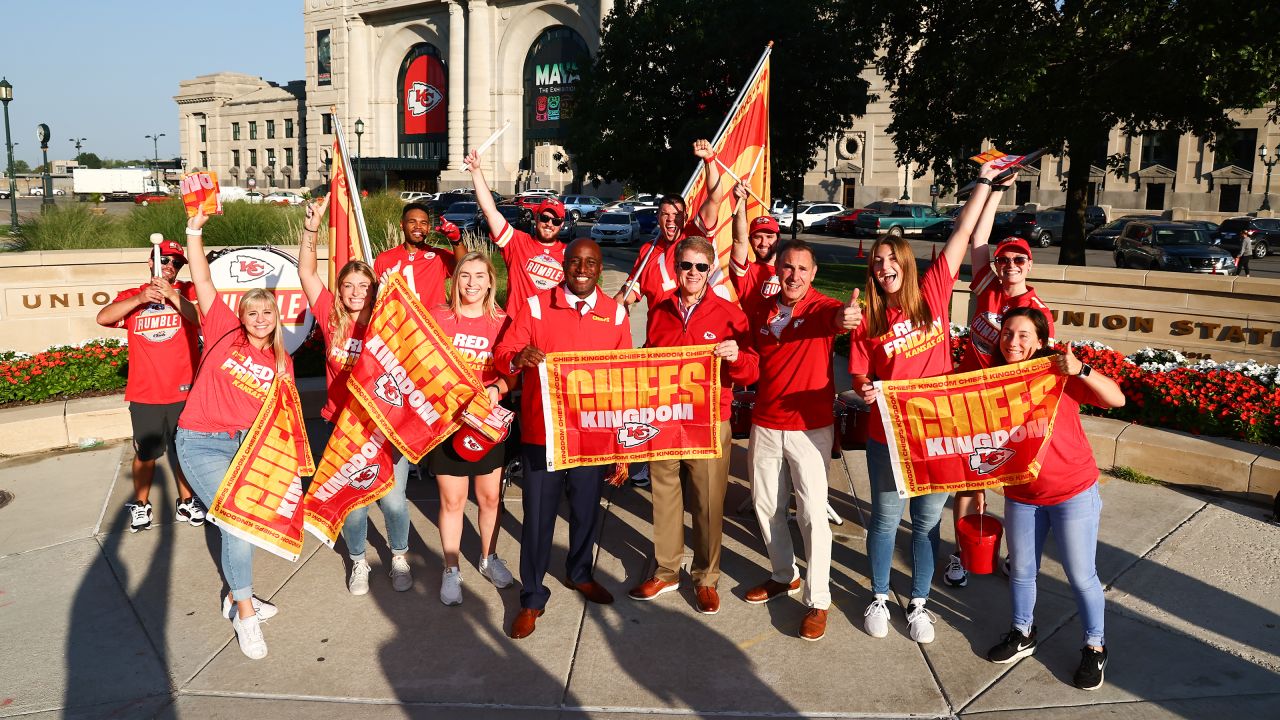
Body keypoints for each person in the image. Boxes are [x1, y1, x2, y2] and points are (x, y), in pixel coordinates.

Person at [849, 160, 1001, 644]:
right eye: (877, 262)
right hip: (887, 436)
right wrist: (863, 387)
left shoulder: (933, 292)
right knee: (887, 519)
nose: (884, 268)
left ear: (905, 264)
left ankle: (918, 603)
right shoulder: (867, 317)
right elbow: (858, 371)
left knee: (928, 523)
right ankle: (877, 595)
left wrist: (984, 184)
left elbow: (961, 233)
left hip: (936, 434)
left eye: (891, 260)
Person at [174, 207, 296, 660]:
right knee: (236, 525)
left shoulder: (281, 363)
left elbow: (283, 422)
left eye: (267, 310)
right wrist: (194, 230)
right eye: (252, 310)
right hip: (201, 440)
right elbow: (202, 278)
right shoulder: (224, 329)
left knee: (244, 526)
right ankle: (245, 613)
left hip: (246, 447)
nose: (260, 317)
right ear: (241, 314)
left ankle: (235, 596)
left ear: (276, 315)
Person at [494, 238, 631, 639]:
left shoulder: (616, 313)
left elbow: (622, 378)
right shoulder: (537, 306)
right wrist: (516, 359)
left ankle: (579, 573)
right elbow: (504, 350)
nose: (583, 269)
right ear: (564, 266)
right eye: (575, 262)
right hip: (544, 434)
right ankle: (532, 596)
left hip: (591, 435)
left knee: (586, 513)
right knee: (537, 519)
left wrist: (622, 443)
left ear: (600, 267)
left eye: (591, 263)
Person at [983, 307, 1124, 691]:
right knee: (1023, 572)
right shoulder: (991, 379)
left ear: (1041, 340)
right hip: (1023, 494)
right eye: (1008, 333)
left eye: (1024, 335)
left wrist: (1081, 369)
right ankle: (1021, 632)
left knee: (1081, 576)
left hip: (1072, 491)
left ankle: (1095, 646)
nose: (1013, 342)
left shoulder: (1057, 373)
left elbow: (1117, 400)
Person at [627, 237, 759, 614]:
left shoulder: (729, 313)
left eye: (702, 267)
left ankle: (706, 577)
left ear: (710, 270)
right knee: (665, 496)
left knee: (706, 503)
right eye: (686, 265)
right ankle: (667, 570)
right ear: (676, 267)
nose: (693, 274)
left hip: (708, 420)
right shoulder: (662, 309)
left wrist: (736, 357)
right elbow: (651, 357)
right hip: (666, 419)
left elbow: (752, 368)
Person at [743, 239, 861, 641]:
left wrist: (848, 318)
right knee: (765, 505)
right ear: (777, 270)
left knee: (812, 514)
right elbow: (752, 358)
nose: (793, 275)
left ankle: (818, 600)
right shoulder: (763, 309)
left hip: (809, 427)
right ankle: (783, 575)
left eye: (802, 269)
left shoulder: (823, 308)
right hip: (765, 421)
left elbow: (839, 320)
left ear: (813, 274)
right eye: (787, 268)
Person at [297, 197, 414, 596]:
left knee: (394, 502)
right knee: (354, 503)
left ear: (374, 289)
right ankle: (359, 561)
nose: (355, 291)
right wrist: (312, 227)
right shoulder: (330, 313)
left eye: (364, 285)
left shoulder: (387, 321)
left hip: (385, 428)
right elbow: (306, 272)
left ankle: (399, 556)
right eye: (348, 284)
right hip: (341, 426)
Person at [944, 172, 1055, 588]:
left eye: (1018, 260)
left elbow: (1041, 367)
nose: (1009, 266)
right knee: (968, 482)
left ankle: (1011, 557)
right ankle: (962, 552)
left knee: (1013, 487)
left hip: (1009, 409)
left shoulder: (1035, 310)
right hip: (970, 401)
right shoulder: (988, 287)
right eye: (1004, 260)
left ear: (1030, 264)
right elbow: (977, 239)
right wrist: (994, 189)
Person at [426, 251, 516, 605]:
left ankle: (488, 558)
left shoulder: (503, 322)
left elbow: (513, 375)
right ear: (454, 280)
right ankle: (451, 569)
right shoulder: (438, 317)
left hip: (486, 426)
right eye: (465, 275)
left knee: (490, 497)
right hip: (447, 425)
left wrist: (497, 388)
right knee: (453, 500)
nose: (472, 283)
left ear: (491, 282)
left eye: (480, 276)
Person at [96, 238, 203, 532]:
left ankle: (187, 502)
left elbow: (202, 319)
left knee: (184, 450)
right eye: (165, 260)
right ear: (151, 262)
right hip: (146, 393)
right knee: (146, 453)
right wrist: (141, 299)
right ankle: (141, 505)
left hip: (185, 389)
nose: (170, 266)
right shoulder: (133, 295)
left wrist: (172, 296)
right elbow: (103, 317)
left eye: (177, 263)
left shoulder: (189, 291)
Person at [614, 139, 728, 310]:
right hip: (660, 332)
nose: (670, 219)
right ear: (658, 217)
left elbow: (715, 197)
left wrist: (709, 159)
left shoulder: (694, 234)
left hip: (694, 329)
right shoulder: (648, 250)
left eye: (676, 215)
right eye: (665, 214)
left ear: (685, 217)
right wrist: (613, 306)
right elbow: (632, 289)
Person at [465, 148, 566, 319]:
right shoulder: (517, 242)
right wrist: (476, 171)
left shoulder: (569, 255)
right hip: (516, 325)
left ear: (562, 224)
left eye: (555, 221)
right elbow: (490, 211)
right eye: (545, 218)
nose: (549, 224)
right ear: (536, 217)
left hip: (551, 331)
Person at [374, 202, 467, 306]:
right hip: (400, 321)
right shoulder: (384, 258)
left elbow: (465, 267)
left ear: (428, 227)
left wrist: (456, 241)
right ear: (402, 225)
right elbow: (375, 298)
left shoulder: (438, 256)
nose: (418, 226)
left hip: (433, 321)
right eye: (412, 222)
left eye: (423, 223)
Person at [729, 183, 782, 312]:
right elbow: (738, 240)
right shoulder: (745, 274)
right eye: (758, 237)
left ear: (778, 240)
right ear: (750, 241)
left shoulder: (791, 272)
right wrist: (741, 202)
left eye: (769, 237)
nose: (764, 243)